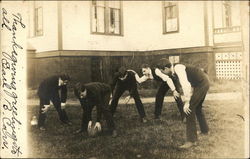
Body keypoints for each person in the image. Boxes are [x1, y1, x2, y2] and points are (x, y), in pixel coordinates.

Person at [161, 58, 210, 149]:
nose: (163, 73)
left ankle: (191, 140)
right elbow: (190, 84)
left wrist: (187, 102)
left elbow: (186, 84)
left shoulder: (178, 68)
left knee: (189, 109)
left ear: (166, 68)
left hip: (201, 84)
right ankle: (205, 130)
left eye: (162, 71)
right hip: (202, 82)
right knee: (197, 108)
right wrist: (190, 97)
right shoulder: (176, 69)